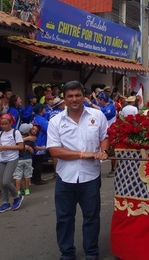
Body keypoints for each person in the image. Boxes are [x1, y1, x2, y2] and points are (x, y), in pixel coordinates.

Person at [47, 80, 109, 260]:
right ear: (64, 99)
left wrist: (104, 150)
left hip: (90, 177)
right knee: (64, 218)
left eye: (78, 95)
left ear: (84, 96)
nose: (74, 99)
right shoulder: (56, 121)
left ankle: (91, 253)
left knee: (91, 217)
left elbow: (105, 136)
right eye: (70, 96)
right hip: (65, 178)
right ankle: (67, 253)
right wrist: (85, 154)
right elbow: (54, 150)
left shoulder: (97, 116)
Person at [0, 113, 24, 212]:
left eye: (6, 123)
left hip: (12, 158)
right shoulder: (1, 134)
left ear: (11, 123)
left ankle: (17, 196)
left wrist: (6, 147)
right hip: (2, 159)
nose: (3, 126)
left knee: (6, 181)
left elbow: (20, 147)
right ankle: (5, 202)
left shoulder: (16, 132)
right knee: (2, 183)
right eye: (2, 124)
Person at [14, 123, 37, 196]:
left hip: (18, 159)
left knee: (17, 176)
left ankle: (17, 191)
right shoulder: (31, 139)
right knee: (27, 175)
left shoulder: (16, 138)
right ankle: (27, 190)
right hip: (28, 159)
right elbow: (33, 150)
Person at [31, 103, 49, 185]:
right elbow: (48, 130)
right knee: (38, 162)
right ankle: (37, 179)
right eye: (44, 108)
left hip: (34, 141)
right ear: (40, 110)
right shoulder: (41, 119)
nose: (45, 110)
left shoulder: (34, 118)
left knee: (34, 162)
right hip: (40, 141)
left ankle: (33, 179)